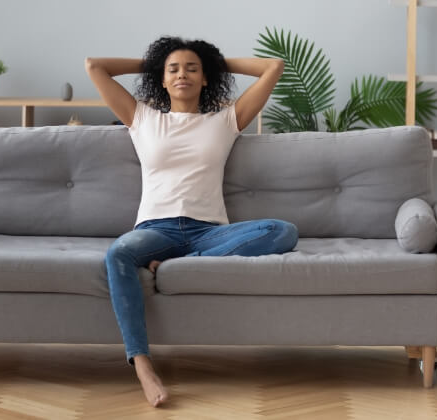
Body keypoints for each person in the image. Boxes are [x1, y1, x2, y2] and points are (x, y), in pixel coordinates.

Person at [85, 36, 298, 408]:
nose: (182, 73)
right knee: (118, 254)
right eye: (173, 69)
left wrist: (212, 61)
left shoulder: (226, 120)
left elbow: (273, 68)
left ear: (205, 79)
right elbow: (94, 66)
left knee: (282, 231)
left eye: (192, 68)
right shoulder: (142, 118)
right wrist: (154, 62)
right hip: (155, 230)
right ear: (162, 80)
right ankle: (143, 365)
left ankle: (181, 261)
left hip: (210, 232)